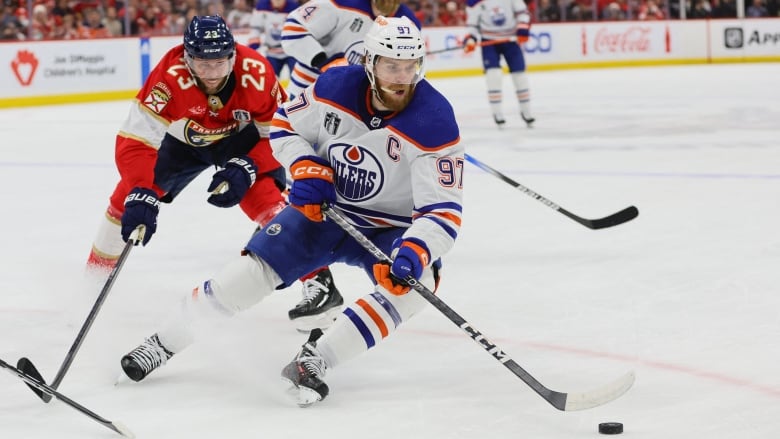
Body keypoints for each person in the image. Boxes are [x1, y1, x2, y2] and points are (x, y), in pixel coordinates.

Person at [118, 16, 463, 409]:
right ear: (370, 61)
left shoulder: (434, 119)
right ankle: (162, 343)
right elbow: (284, 124)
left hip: (387, 228)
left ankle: (316, 359)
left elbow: (443, 210)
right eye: (391, 65)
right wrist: (304, 165)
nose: (402, 78)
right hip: (324, 210)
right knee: (250, 275)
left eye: (410, 66)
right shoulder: (334, 86)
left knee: (420, 281)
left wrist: (415, 250)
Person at [85, 15, 343, 331]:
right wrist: (141, 188)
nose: (211, 73)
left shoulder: (258, 73)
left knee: (265, 199)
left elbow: (280, 134)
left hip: (243, 139)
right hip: (181, 142)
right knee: (127, 198)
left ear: (233, 55)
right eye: (202, 64)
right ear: (186, 57)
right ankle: (93, 283)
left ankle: (320, 282)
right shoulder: (168, 77)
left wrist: (249, 165)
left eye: (219, 63)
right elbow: (135, 140)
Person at [280, 0, 420, 99]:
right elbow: (293, 29)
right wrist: (323, 62)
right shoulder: (342, 4)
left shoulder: (408, 23)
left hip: (353, 101)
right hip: (309, 89)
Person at [463, 0, 535, 127]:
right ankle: (497, 113)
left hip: (511, 40)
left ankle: (526, 110)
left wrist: (522, 27)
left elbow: (522, 12)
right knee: (493, 76)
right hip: (489, 41)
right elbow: (472, 24)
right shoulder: (475, 2)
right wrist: (470, 38)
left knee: (520, 76)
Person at [249, 0, 299, 79]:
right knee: (270, 80)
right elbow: (256, 28)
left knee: (296, 78)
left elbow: (299, 29)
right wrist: (253, 45)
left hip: (291, 52)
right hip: (272, 52)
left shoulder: (294, 7)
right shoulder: (262, 6)